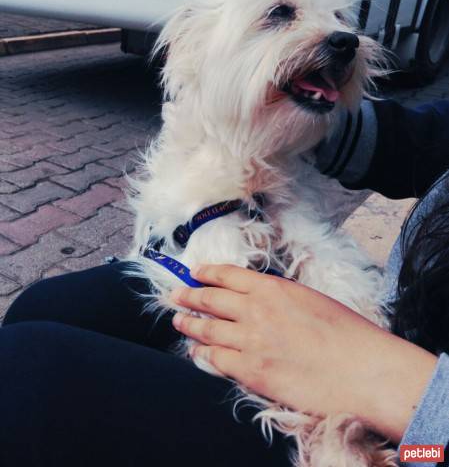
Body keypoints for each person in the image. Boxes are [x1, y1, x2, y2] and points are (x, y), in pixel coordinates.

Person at [2, 98, 449, 467]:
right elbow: (432, 139)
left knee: (25, 374)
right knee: (44, 305)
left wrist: (408, 389)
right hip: (407, 331)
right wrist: (309, 105)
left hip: (418, 438)